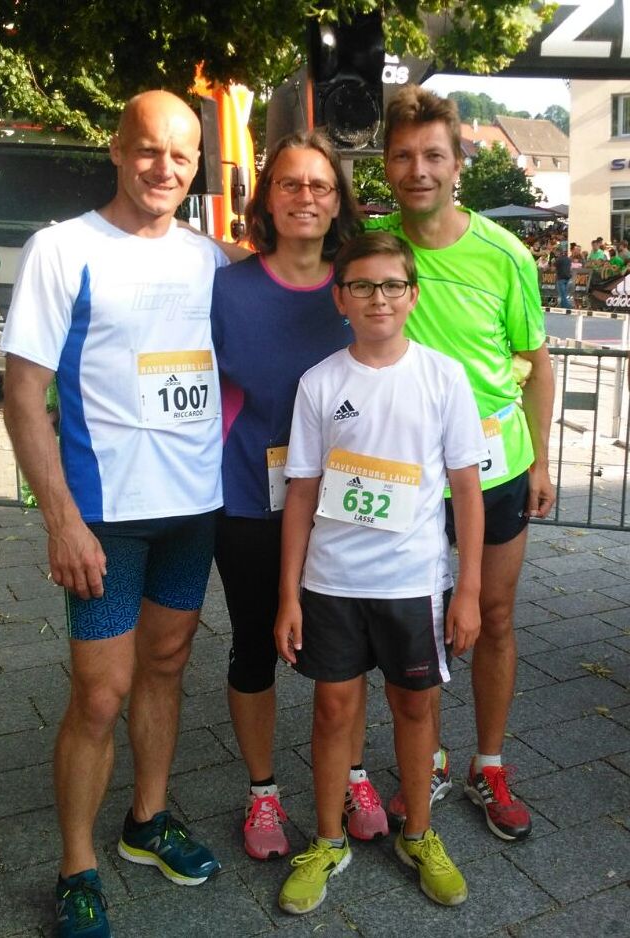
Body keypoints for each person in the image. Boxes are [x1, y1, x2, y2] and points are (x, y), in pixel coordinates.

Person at [2, 90, 231, 938]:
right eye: (147, 149)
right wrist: (59, 518)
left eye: (181, 155)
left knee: (167, 663)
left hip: (192, 509)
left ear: (198, 166)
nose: (163, 168)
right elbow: (23, 395)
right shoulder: (63, 249)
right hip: (105, 516)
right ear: (115, 148)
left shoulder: (212, 260)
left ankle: (147, 821)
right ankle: (76, 865)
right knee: (99, 696)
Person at [274, 232, 487, 913]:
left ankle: (418, 834)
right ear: (340, 298)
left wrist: (470, 590)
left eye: (392, 285)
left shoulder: (443, 377)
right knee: (333, 709)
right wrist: (288, 595)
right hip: (332, 581)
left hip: (414, 583)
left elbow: (467, 491)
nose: (379, 298)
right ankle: (328, 840)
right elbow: (301, 492)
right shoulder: (320, 382)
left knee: (416, 706)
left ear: (413, 295)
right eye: (362, 286)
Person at [366, 85, 555, 842]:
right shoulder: (373, 247)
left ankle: (489, 762)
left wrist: (541, 463)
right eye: (403, 156)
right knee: (416, 625)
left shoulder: (505, 254)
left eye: (433, 156)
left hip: (498, 468)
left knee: (493, 618)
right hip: (406, 477)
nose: (418, 170)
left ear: (456, 165)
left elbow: (537, 364)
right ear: (386, 165)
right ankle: (430, 762)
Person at [211, 131, 390, 861]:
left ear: (339, 201)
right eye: (290, 183)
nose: (306, 197)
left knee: (348, 653)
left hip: (346, 504)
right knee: (255, 645)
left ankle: (352, 776)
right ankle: (263, 793)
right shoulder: (228, 288)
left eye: (321, 185)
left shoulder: (358, 288)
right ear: (268, 196)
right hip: (251, 498)